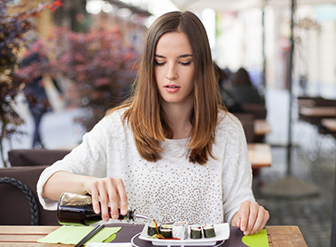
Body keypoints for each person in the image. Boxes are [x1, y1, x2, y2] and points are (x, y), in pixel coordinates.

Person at [37, 11, 269, 235]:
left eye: (184, 62)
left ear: (202, 67)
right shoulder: (118, 126)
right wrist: (89, 183)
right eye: (160, 62)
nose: (171, 74)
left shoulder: (228, 129)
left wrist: (248, 215)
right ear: (149, 66)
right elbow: (48, 183)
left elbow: (238, 209)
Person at [21, 46, 62, 148]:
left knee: (36, 119)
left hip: (29, 93)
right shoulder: (41, 58)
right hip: (39, 93)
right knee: (37, 120)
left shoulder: (25, 60)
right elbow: (52, 77)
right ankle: (34, 145)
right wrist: (60, 92)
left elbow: (20, 78)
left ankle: (38, 144)